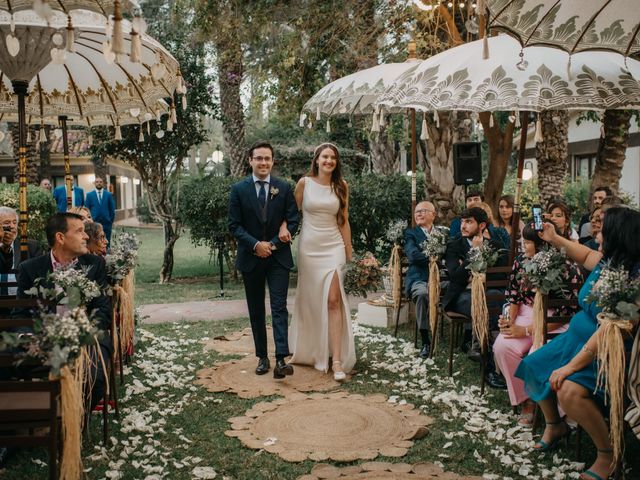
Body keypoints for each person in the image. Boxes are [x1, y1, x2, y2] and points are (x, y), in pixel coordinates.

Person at [515, 207, 640, 480]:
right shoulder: (608, 262)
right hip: (574, 341)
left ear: (618, 236)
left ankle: (608, 454)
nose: (596, 235)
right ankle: (555, 425)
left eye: (602, 231)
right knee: (533, 365)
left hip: (606, 354)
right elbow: (583, 254)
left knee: (567, 389)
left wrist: (570, 367)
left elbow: (610, 330)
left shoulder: (634, 279)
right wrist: (554, 237)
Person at [16, 212, 112, 411]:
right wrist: (30, 337)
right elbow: (20, 314)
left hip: (86, 340)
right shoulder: (30, 269)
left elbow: (103, 309)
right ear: (60, 238)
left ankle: (72, 423)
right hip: (44, 340)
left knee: (96, 379)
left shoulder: (95, 265)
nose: (86, 236)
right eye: (79, 232)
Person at [493, 222, 583, 427]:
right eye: (523, 241)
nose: (523, 245)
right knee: (502, 346)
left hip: (556, 321)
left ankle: (553, 408)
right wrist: (509, 320)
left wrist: (525, 330)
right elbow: (514, 296)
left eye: (528, 242)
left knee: (536, 356)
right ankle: (527, 401)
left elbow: (568, 313)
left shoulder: (568, 268)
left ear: (543, 244)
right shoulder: (520, 261)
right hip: (526, 311)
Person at [228, 141, 299, 379]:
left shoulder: (284, 188)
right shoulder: (239, 189)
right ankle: (262, 357)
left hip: (278, 258)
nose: (263, 163)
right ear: (250, 161)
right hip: (251, 258)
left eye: (267, 158)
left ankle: (281, 358)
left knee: (279, 307)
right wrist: (256, 245)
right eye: (259, 158)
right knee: (256, 309)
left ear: (273, 161)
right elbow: (234, 225)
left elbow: (293, 220)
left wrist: (275, 244)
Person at [289, 143, 356, 381]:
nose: (329, 161)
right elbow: (290, 213)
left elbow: (344, 221)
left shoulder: (341, 186)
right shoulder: (304, 184)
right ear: (317, 160)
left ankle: (336, 359)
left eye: (333, 158)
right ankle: (311, 350)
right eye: (325, 157)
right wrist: (281, 228)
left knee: (333, 300)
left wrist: (349, 255)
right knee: (310, 298)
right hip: (309, 247)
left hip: (334, 246)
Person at [442, 206, 509, 389]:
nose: (463, 225)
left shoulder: (496, 246)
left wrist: (474, 273)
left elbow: (502, 276)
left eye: (469, 222)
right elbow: (456, 276)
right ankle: (489, 367)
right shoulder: (454, 245)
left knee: (496, 298)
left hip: (488, 293)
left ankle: (482, 348)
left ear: (482, 225)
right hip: (461, 296)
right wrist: (475, 254)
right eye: (463, 221)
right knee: (485, 303)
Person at [403, 201, 438, 358]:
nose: (418, 214)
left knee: (465, 290)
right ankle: (425, 340)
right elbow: (413, 255)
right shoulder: (411, 234)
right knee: (423, 294)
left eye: (423, 211)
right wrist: (435, 258)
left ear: (433, 214)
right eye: (417, 212)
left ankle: (467, 339)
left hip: (442, 278)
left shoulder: (443, 232)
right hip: (419, 278)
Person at [0, 207, 42, 298]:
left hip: (22, 300)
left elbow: (39, 276)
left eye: (14, 222)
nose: (12, 226)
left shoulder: (31, 246)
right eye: (7, 223)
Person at [85, 176, 116, 244]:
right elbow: (87, 209)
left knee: (106, 241)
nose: (99, 183)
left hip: (107, 223)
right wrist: (90, 220)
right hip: (94, 223)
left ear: (103, 183)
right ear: (94, 183)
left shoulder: (108, 195)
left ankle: (106, 253)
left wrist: (110, 220)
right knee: (95, 241)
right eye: (97, 182)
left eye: (100, 182)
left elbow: (112, 209)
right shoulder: (89, 195)